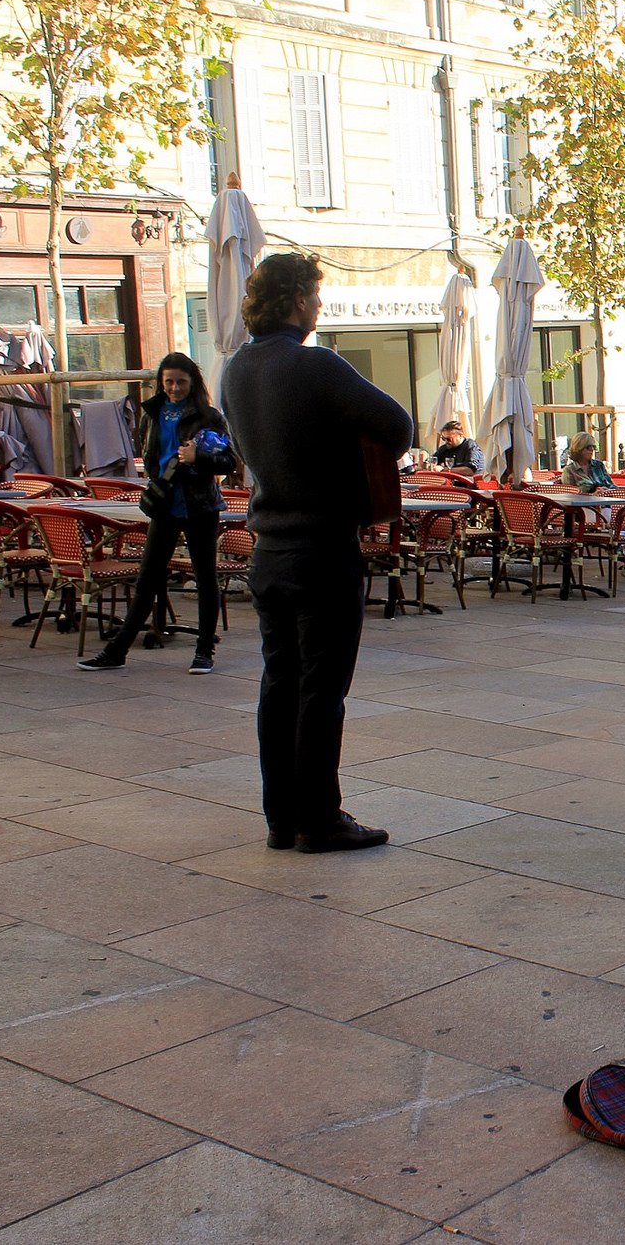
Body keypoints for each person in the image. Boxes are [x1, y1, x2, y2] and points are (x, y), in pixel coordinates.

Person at [221, 253, 414, 855]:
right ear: (296, 300)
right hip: (322, 547)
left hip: (268, 551)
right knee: (322, 689)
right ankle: (321, 820)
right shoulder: (316, 365)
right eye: (315, 296)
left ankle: (282, 817)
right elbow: (398, 425)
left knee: (278, 682)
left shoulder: (233, 372)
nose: (319, 307)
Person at [76, 353, 234, 675]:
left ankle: (204, 650)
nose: (175, 388)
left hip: (200, 506)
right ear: (161, 383)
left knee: (205, 578)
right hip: (164, 504)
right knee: (147, 578)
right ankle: (117, 650)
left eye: (181, 382)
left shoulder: (209, 416)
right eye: (169, 382)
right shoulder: (153, 413)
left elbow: (229, 461)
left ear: (193, 384)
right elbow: (149, 458)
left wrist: (198, 457)